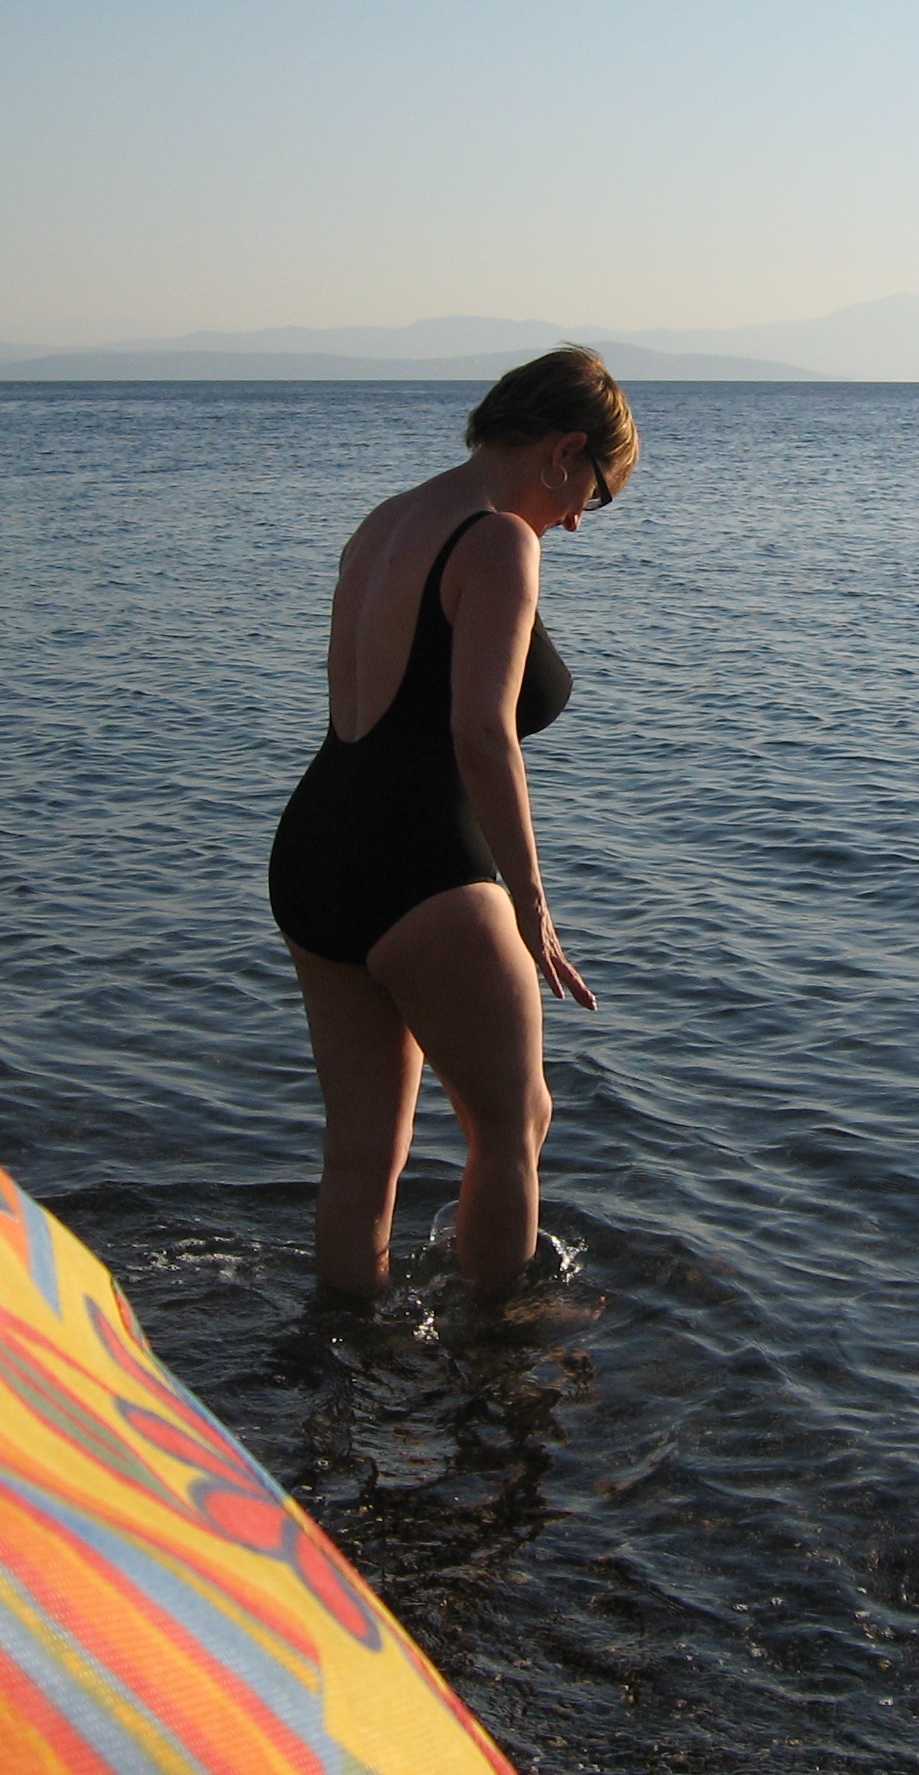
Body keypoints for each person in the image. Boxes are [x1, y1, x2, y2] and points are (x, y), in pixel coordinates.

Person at [267, 347, 636, 1302]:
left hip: (314, 849)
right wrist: (531, 902)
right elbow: (480, 733)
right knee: (515, 1127)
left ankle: (335, 1356)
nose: (577, 521)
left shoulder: (383, 522)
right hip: (420, 862)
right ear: (563, 450)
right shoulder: (498, 542)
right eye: (593, 496)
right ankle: (501, 1357)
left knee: (360, 1152)